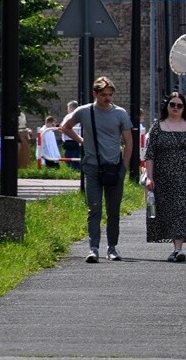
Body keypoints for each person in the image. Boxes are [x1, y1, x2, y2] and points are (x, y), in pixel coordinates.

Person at [61, 76, 134, 263]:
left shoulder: (120, 114)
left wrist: (124, 167)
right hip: (92, 166)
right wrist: (81, 141)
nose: (107, 98)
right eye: (103, 95)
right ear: (95, 94)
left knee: (113, 209)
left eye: (110, 94)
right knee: (94, 208)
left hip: (114, 167)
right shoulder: (84, 112)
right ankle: (93, 248)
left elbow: (129, 142)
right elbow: (65, 127)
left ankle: (112, 247)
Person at [143, 92, 186, 262]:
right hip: (163, 178)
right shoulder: (157, 127)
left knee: (182, 210)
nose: (176, 108)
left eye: (180, 105)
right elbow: (150, 155)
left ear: (184, 108)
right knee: (168, 211)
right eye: (173, 105)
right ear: (167, 106)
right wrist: (149, 177)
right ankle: (175, 247)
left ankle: (178, 249)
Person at [60, 100, 81, 170]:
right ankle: (77, 170)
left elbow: (62, 127)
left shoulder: (69, 116)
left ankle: (71, 170)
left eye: (68, 107)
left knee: (69, 157)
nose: (67, 109)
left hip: (70, 139)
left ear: (71, 107)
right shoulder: (80, 115)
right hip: (79, 139)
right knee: (77, 157)